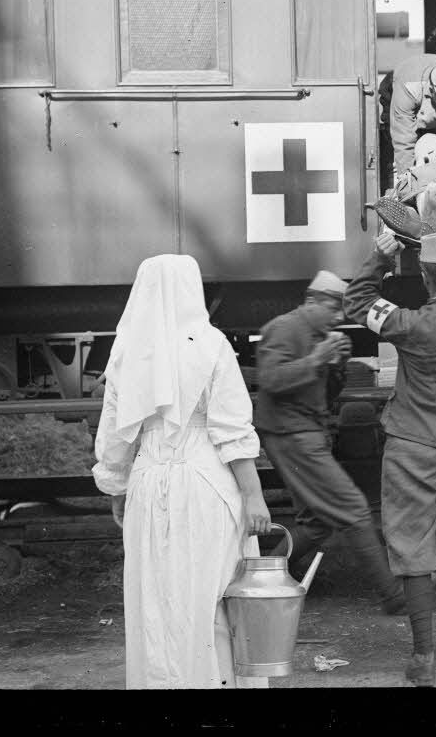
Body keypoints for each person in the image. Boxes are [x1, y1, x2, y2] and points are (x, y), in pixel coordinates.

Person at [92, 254, 272, 689]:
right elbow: (232, 430)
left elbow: (115, 435)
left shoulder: (125, 352)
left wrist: (117, 486)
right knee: (211, 596)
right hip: (205, 480)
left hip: (147, 479)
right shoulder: (211, 344)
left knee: (155, 599)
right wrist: (253, 496)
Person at [343, 231, 436, 687]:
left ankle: (423, 656)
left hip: (413, 442)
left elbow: (357, 302)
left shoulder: (407, 324)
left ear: (425, 278)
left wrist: (381, 257)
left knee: (412, 541)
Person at [253, 271, 406, 615]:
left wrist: (337, 367)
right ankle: (393, 595)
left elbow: (325, 396)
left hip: (304, 431)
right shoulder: (283, 328)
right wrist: (318, 358)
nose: (339, 317)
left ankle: (267, 579)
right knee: (353, 508)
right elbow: (270, 379)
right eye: (333, 308)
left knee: (317, 522)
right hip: (291, 434)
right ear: (311, 301)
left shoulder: (318, 335)